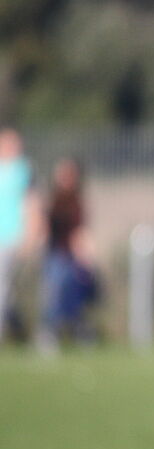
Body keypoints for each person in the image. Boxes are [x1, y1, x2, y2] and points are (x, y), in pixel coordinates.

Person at [38, 158, 97, 350]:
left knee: (73, 297)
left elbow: (80, 232)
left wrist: (86, 256)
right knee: (53, 294)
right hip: (54, 254)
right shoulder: (51, 200)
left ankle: (78, 332)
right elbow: (43, 227)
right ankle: (49, 332)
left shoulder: (77, 202)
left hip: (70, 256)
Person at [0, 128, 35, 343]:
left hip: (11, 236)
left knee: (3, 285)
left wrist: (30, 235)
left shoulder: (22, 170)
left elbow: (31, 203)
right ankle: (17, 326)